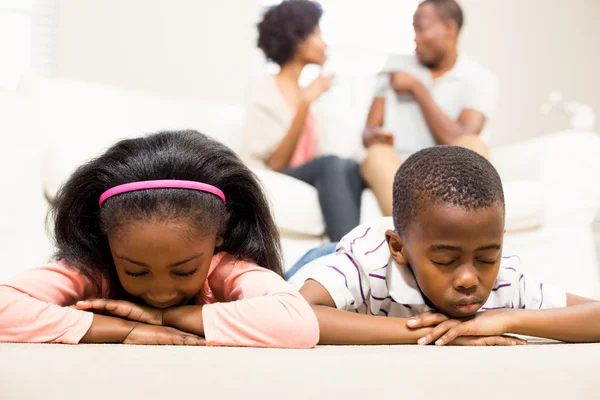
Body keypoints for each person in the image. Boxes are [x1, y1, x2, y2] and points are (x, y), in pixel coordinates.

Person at [0, 130, 319, 348]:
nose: (161, 290)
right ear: (105, 236)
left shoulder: (225, 269)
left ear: (220, 231)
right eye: (137, 272)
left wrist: (166, 317)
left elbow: (298, 324)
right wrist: (127, 330)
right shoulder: (95, 268)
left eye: (183, 271)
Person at [289, 146, 600, 345]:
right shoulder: (367, 264)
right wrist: (430, 332)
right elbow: (298, 312)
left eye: (487, 257)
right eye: (446, 261)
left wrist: (505, 318)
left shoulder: (504, 279)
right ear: (399, 248)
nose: (469, 279)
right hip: (325, 259)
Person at [361, 0, 498, 216]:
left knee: (474, 143)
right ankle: (412, 234)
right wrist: (376, 135)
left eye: (421, 29)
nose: (415, 38)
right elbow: (368, 133)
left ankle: (463, 227)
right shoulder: (394, 67)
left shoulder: (479, 78)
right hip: (401, 170)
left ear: (449, 29)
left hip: (450, 174)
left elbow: (460, 141)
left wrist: (418, 89)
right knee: (376, 154)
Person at [244, 0, 365, 241]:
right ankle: (349, 254)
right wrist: (305, 103)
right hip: (274, 173)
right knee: (331, 164)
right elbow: (277, 162)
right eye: (317, 34)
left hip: (307, 173)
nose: (324, 44)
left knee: (351, 167)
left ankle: (349, 248)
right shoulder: (266, 91)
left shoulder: (308, 93)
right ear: (297, 40)